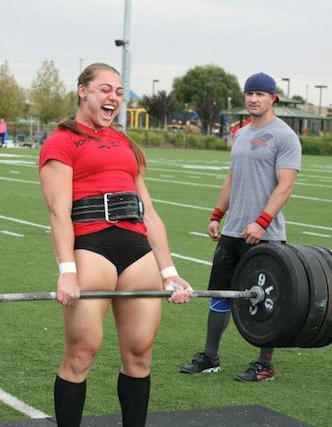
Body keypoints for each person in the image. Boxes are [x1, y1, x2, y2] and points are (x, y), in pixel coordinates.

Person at [38, 62, 193, 427]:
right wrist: (67, 272)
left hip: (138, 252)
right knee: (81, 355)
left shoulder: (125, 143)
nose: (114, 98)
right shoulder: (60, 141)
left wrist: (169, 272)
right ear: (83, 90)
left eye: (120, 93)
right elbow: (58, 212)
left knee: (140, 355)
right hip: (92, 248)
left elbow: (149, 212)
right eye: (106, 89)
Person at [180, 72, 301, 382]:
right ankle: (210, 357)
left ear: (273, 98)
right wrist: (216, 214)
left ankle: (265, 364)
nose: (253, 98)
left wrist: (262, 222)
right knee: (219, 295)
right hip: (233, 232)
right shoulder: (241, 134)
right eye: (250, 93)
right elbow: (232, 178)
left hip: (266, 236)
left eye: (260, 94)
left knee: (267, 303)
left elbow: (285, 186)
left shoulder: (285, 136)